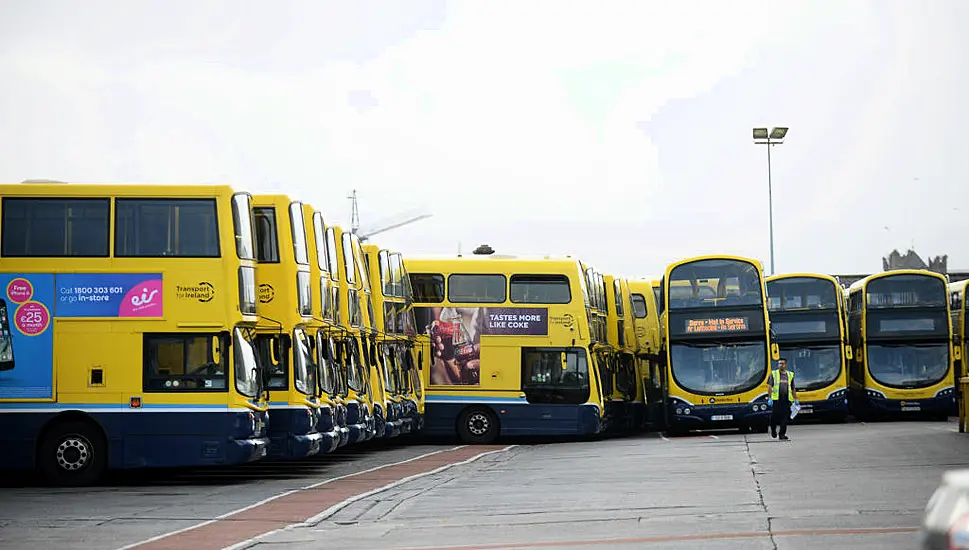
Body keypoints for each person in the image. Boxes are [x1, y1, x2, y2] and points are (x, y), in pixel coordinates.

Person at [767, 357, 798, 440]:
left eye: (782, 363)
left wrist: (795, 399)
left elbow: (793, 388)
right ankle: (773, 430)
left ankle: (782, 434)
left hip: (786, 399)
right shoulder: (773, 374)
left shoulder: (790, 374)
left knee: (784, 417)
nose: (780, 365)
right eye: (779, 363)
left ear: (785, 364)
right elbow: (769, 387)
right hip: (776, 399)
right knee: (774, 416)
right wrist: (769, 398)